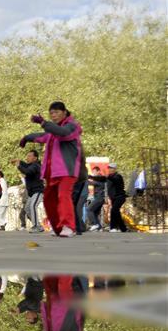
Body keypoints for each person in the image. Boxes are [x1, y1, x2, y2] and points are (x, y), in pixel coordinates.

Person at [20, 101, 83, 237]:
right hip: (53, 173)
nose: (53, 116)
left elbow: (63, 133)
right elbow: (41, 136)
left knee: (63, 196)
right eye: (51, 113)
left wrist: (43, 123)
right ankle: (58, 227)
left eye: (56, 112)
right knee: (49, 200)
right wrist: (26, 138)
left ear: (65, 112)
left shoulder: (72, 126)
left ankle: (68, 226)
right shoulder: (52, 132)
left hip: (67, 170)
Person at [12, 150, 44, 233]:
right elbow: (26, 165)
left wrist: (19, 165)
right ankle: (39, 226)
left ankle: (36, 226)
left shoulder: (36, 166)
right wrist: (19, 161)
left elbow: (27, 171)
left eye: (30, 156)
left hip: (38, 191)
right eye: (27, 156)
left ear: (35, 158)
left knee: (33, 206)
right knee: (27, 208)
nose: (27, 157)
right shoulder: (32, 165)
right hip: (32, 192)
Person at [89, 163, 128, 232]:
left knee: (114, 211)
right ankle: (122, 228)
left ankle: (113, 227)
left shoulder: (118, 176)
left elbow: (112, 179)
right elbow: (101, 179)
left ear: (114, 169)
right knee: (116, 212)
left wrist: (106, 177)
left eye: (111, 168)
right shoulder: (109, 177)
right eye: (109, 168)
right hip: (114, 198)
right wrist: (92, 177)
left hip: (120, 197)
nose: (109, 169)